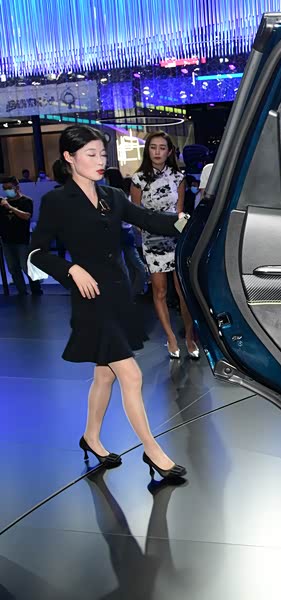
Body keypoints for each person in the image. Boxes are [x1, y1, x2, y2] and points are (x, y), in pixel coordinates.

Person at [28, 125, 187, 479]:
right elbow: (37, 252)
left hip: (118, 295)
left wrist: (181, 222)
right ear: (69, 158)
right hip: (90, 300)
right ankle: (152, 451)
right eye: (91, 154)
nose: (100, 160)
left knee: (104, 376)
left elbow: (147, 219)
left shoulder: (112, 196)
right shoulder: (56, 201)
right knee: (131, 374)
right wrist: (71, 270)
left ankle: (91, 437)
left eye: (102, 154)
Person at [130, 131, 199, 360]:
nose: (157, 152)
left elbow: (179, 211)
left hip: (176, 239)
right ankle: (170, 338)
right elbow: (136, 215)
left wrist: (181, 225)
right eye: (153, 147)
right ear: (147, 150)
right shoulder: (138, 179)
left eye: (162, 148)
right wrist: (148, 229)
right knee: (160, 291)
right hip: (152, 241)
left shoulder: (178, 177)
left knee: (183, 291)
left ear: (169, 151)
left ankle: (189, 337)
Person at [104, 167, 148, 297]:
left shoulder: (116, 194)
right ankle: (133, 291)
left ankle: (134, 291)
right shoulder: (119, 194)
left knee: (133, 264)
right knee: (129, 263)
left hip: (123, 231)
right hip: (124, 231)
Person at [0, 176, 42, 295]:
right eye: (4, 188)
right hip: (7, 241)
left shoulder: (26, 201)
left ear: (17, 187)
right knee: (13, 268)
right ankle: (21, 291)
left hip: (22, 240)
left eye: (9, 188)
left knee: (26, 267)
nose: (7, 191)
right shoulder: (2, 203)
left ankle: (36, 290)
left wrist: (10, 207)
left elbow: (26, 216)